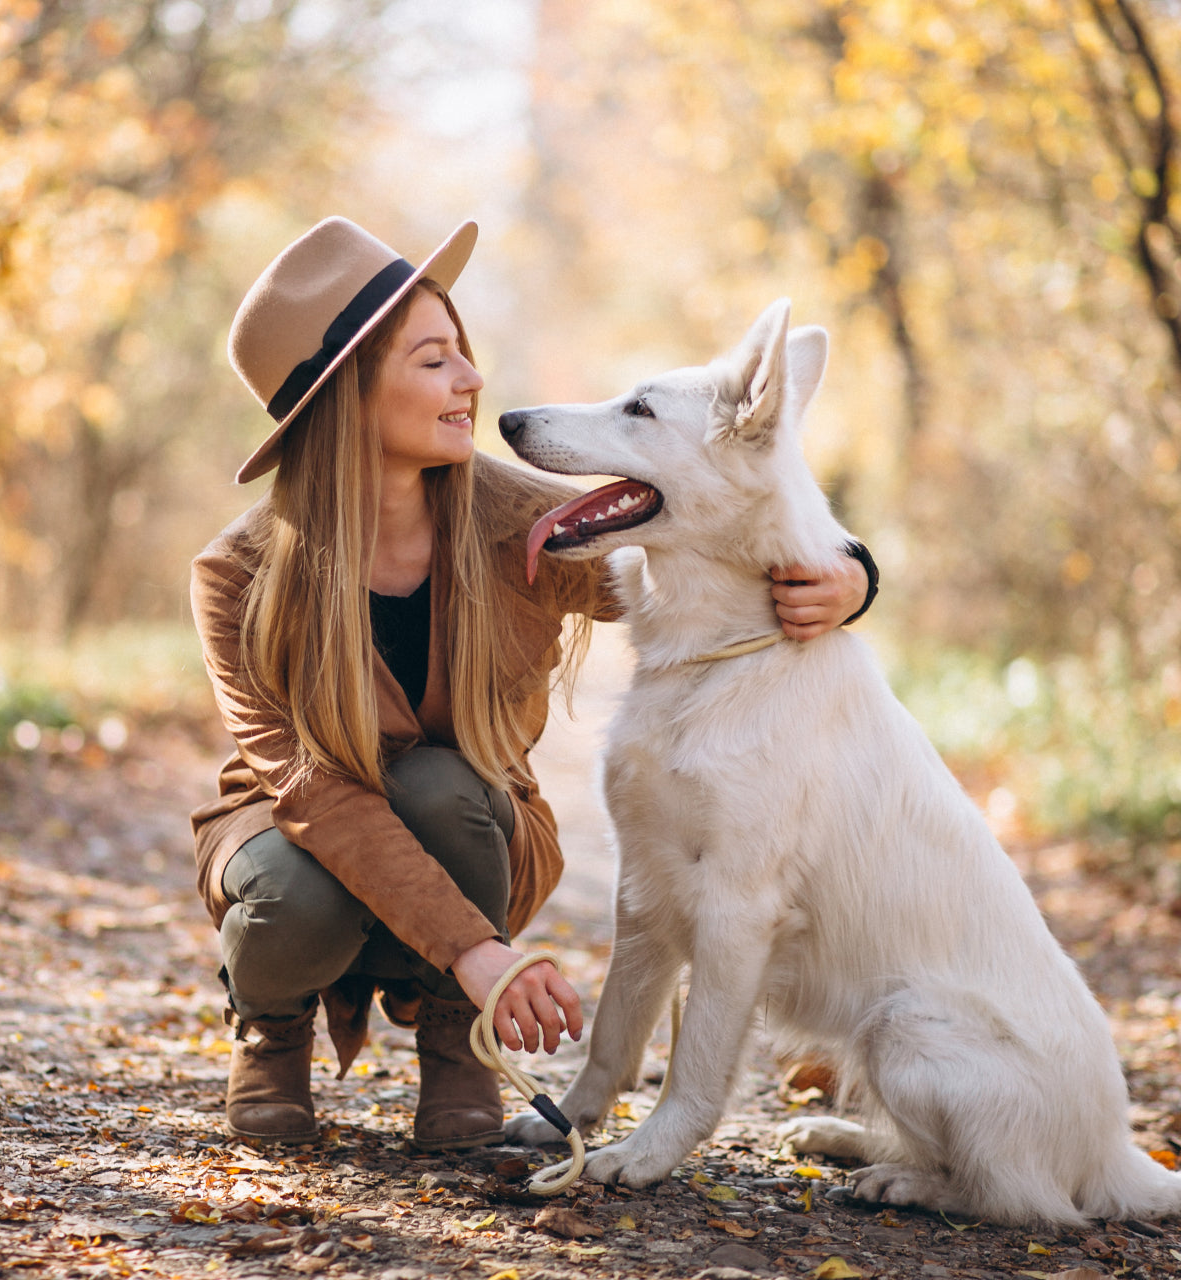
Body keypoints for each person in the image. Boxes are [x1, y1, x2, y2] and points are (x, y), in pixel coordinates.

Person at [189, 216, 877, 1150]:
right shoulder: (236, 575)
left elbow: (715, 526)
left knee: (442, 785)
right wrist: (482, 952)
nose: (473, 379)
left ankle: (453, 1042)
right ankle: (271, 1031)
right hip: (299, 836)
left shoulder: (522, 518)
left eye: (463, 352)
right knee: (287, 889)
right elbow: (312, 792)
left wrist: (850, 572)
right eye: (436, 360)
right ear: (348, 396)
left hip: (468, 828)